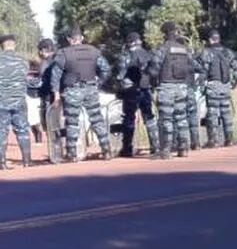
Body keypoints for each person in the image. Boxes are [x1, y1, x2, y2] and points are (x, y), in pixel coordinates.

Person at [49, 27, 112, 162]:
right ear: (82, 38)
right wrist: (98, 82)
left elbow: (56, 75)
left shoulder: (63, 53)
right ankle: (106, 150)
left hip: (72, 90)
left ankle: (72, 154)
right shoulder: (94, 51)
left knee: (72, 122)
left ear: (69, 40)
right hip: (91, 89)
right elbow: (106, 69)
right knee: (97, 119)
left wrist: (56, 94)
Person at [150, 23, 193, 158]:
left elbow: (154, 69)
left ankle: (166, 150)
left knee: (166, 119)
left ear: (165, 34)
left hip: (166, 87)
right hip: (182, 87)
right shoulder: (184, 49)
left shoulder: (162, 49)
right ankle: (183, 148)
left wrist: (152, 83)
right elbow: (191, 67)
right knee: (182, 118)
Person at [116, 32, 159, 157]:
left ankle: (127, 148)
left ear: (129, 42)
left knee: (129, 118)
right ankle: (155, 145)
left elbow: (120, 75)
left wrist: (119, 89)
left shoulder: (126, 56)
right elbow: (154, 72)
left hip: (131, 90)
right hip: (145, 89)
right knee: (149, 117)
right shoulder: (148, 54)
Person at [198, 28, 237, 148]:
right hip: (225, 85)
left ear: (210, 40)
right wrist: (233, 82)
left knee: (212, 113)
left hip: (213, 85)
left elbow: (203, 70)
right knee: (226, 112)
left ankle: (213, 140)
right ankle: (229, 139)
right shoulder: (228, 52)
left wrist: (202, 85)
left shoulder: (207, 52)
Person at [0, 34, 35, 169]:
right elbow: (27, 80)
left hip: (1, 102)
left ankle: (2, 162)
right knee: (23, 130)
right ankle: (27, 160)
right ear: (14, 44)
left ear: (2, 45)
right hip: (19, 101)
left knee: (1, 131)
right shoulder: (22, 61)